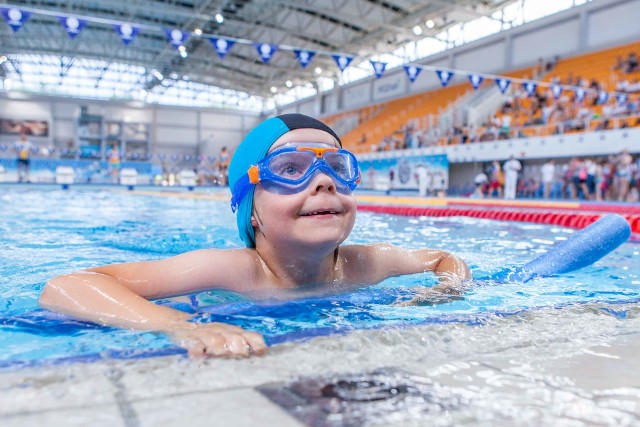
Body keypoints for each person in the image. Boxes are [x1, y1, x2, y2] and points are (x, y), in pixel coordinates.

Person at [39, 114, 471, 359]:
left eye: (337, 167)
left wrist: (449, 286)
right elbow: (66, 286)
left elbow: (439, 258)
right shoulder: (233, 270)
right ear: (252, 212)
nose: (323, 183)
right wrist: (177, 326)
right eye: (290, 169)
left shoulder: (368, 263)